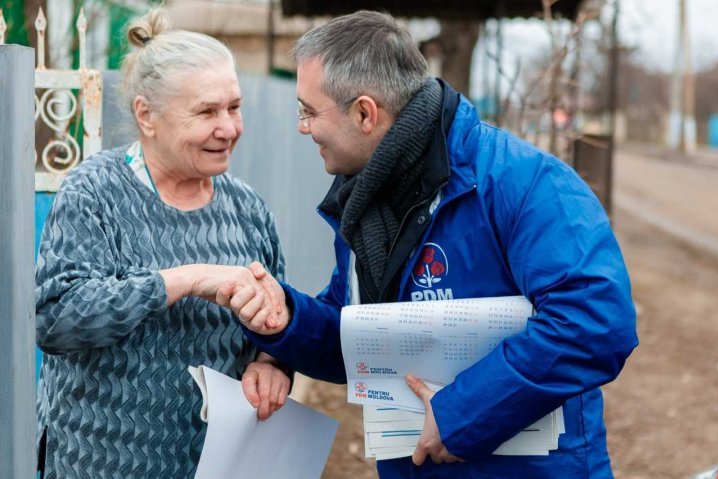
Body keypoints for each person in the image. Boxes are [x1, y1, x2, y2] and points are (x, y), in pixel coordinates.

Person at [219, 10, 639, 479]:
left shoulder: (525, 183)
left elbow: (595, 321)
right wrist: (286, 323)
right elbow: (363, 338)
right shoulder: (365, 200)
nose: (302, 127)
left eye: (309, 111)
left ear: (364, 112)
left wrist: (463, 413)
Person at [35, 9, 290, 478]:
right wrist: (187, 279)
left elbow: (276, 327)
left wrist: (273, 365)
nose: (229, 128)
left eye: (234, 107)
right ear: (146, 116)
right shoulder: (94, 193)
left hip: (217, 465)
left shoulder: (248, 211)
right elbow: (56, 319)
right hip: (100, 462)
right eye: (207, 112)